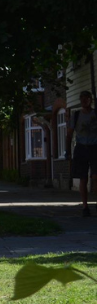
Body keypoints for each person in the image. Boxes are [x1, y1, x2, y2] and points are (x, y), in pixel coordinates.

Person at [67, 90, 97, 218]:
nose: (85, 101)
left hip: (95, 147)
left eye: (87, 98)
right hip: (80, 148)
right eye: (82, 99)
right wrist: (67, 151)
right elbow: (69, 134)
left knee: (96, 177)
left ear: (90, 100)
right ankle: (85, 206)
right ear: (80, 100)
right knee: (83, 178)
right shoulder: (76, 115)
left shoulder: (96, 114)